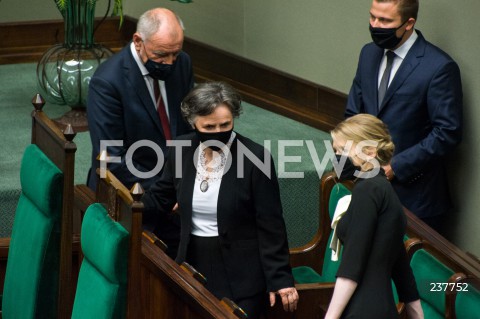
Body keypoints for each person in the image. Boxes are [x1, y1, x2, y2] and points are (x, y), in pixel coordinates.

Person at [141, 81, 299, 319]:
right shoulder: (181, 149)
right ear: (193, 123)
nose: (218, 132)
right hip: (191, 263)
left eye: (225, 124)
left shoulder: (256, 158)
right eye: (209, 126)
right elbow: (160, 198)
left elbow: (271, 223)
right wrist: (123, 208)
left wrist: (280, 278)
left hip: (241, 273)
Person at [345, 0, 463, 232]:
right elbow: (353, 112)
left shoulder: (439, 67)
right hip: (367, 187)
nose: (376, 25)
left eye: (385, 21)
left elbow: (447, 132)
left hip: (416, 200)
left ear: (409, 23)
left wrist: (395, 166)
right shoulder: (368, 53)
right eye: (372, 17)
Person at [86, 8, 194, 255]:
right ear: (138, 41)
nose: (169, 63)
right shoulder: (108, 82)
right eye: (161, 55)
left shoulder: (182, 64)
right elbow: (111, 159)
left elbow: (190, 128)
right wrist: (168, 192)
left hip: (173, 184)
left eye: (175, 54)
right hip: (129, 192)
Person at [325, 114, 423, 319]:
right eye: (334, 151)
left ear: (369, 151)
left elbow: (352, 266)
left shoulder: (367, 190)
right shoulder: (384, 190)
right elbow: (402, 269)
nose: (337, 158)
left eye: (342, 150)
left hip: (361, 311)